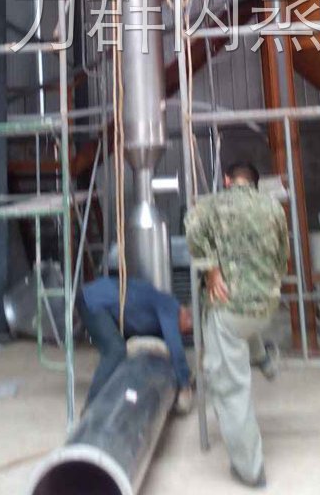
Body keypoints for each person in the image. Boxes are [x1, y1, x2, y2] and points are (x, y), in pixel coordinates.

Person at [185, 161, 289, 488]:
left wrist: (211, 268)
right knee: (244, 326)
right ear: (255, 184)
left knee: (230, 387)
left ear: (228, 180)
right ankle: (264, 358)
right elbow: (282, 258)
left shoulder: (213, 204)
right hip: (265, 306)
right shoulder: (273, 207)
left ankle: (250, 469)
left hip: (229, 308)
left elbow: (191, 227)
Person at [76, 275, 193, 413]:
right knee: (115, 350)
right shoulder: (170, 306)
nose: (182, 333)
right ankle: (91, 408)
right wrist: (184, 383)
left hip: (100, 300)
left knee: (120, 351)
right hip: (94, 299)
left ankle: (112, 393)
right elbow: (174, 344)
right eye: (186, 330)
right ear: (186, 315)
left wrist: (184, 372)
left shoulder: (159, 314)